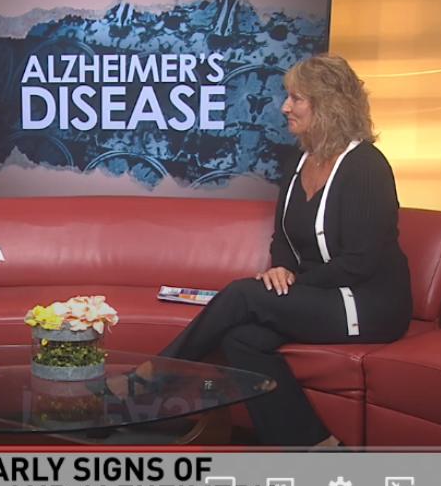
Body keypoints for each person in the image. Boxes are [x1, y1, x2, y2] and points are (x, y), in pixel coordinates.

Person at [154, 54, 412, 446]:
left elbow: (361, 262)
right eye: (287, 97)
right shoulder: (299, 160)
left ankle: (150, 379)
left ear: (329, 104)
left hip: (365, 304)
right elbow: (284, 238)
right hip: (317, 293)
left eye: (296, 99)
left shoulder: (366, 166)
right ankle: (314, 443)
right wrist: (281, 268)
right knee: (241, 339)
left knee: (243, 293)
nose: (284, 107)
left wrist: (295, 282)